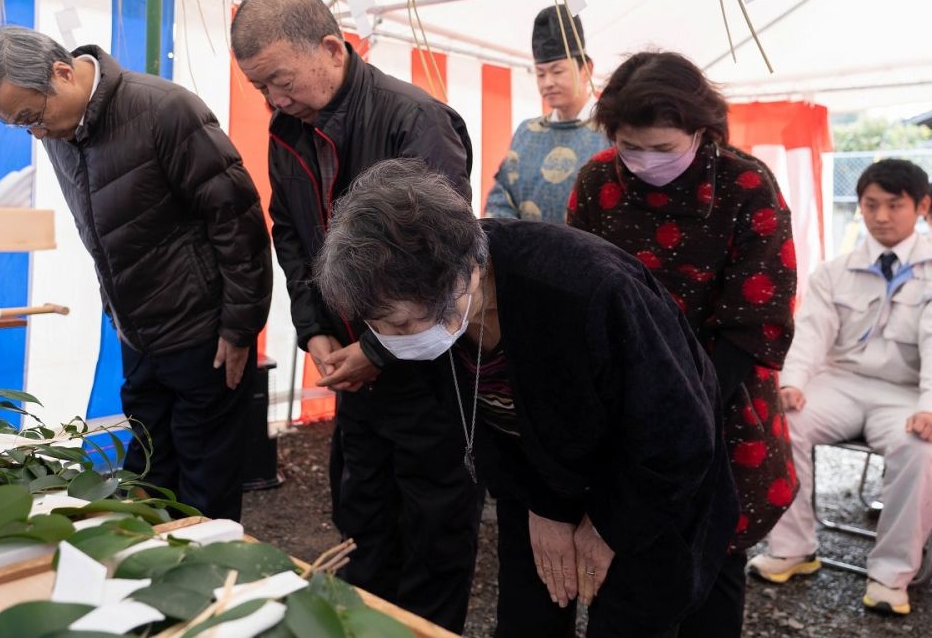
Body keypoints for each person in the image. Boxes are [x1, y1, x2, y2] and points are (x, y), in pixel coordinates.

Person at [313, 158, 738, 637]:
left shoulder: (587, 288)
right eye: (380, 328)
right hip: (535, 468)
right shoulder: (426, 303)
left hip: (648, 478)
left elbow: (677, 436)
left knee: (633, 615)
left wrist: (606, 526)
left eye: (406, 325)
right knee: (527, 615)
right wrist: (544, 506)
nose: (396, 341)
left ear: (465, 274)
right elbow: (476, 423)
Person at [230, 0, 479, 632]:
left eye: (279, 80)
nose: (274, 100)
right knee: (363, 515)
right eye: (261, 89)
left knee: (433, 527)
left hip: (426, 370)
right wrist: (313, 331)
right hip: (350, 366)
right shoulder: (289, 133)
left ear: (332, 49)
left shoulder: (412, 120)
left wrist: (376, 349)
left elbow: (441, 263)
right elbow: (290, 234)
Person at [0, 26, 272, 520]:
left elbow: (238, 220)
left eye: (32, 116)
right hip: (138, 335)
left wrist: (240, 326)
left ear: (62, 72)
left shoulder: (165, 110)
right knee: (149, 478)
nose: (37, 133)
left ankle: (205, 591)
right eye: (22, 126)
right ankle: (146, 586)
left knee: (203, 492)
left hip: (204, 338)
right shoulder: (59, 131)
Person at [567, 51, 798, 637]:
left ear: (702, 130)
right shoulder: (596, 182)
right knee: (625, 571)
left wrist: (681, 410)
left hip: (722, 402)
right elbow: (575, 293)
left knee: (710, 574)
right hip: (622, 404)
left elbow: (755, 319)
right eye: (629, 145)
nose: (644, 162)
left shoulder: (747, 186)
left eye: (663, 148)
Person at [748, 159, 932, 616]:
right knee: (782, 419)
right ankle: (794, 548)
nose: (882, 216)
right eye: (871, 205)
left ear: (922, 207)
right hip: (843, 383)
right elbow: (810, 335)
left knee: (921, 447)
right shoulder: (835, 271)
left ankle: (892, 575)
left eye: (895, 205)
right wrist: (791, 383)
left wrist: (929, 405)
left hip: (907, 393)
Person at [484, 5, 609, 223]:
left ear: (586, 69)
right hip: (527, 254)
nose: (548, 82)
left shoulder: (612, 130)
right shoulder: (527, 132)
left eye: (558, 71)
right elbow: (502, 197)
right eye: (540, 74)